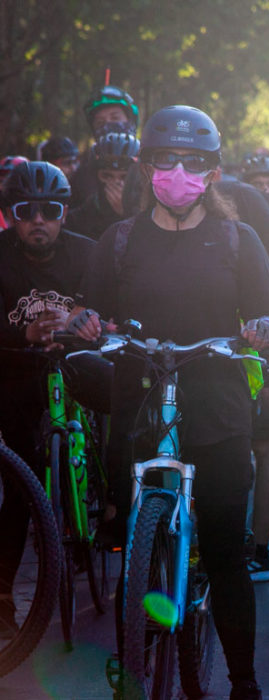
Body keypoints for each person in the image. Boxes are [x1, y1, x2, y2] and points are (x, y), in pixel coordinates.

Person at [71, 105, 269, 700]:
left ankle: (243, 681)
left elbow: (266, 312)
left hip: (219, 412)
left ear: (213, 172)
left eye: (193, 162)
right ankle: (132, 668)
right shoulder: (119, 241)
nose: (179, 172)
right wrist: (83, 322)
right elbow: (89, 309)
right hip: (138, 409)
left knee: (224, 550)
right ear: (146, 168)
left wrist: (267, 329)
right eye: (167, 159)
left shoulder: (239, 239)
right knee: (134, 547)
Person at [0, 162, 96, 636]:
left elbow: (115, 308)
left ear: (64, 214)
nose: (38, 220)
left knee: (126, 411)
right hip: (16, 372)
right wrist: (25, 334)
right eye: (26, 211)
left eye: (50, 211)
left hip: (77, 366)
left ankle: (113, 513)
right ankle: (2, 596)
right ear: (10, 216)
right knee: (21, 483)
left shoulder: (89, 253)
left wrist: (90, 320)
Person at [70, 84, 139, 208]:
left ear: (131, 122)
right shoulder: (84, 174)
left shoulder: (150, 165)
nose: (108, 125)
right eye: (100, 122)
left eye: (115, 118)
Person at [66, 132, 140, 240]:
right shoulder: (81, 216)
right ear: (96, 176)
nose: (115, 182)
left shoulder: (151, 211)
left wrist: (126, 214)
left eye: (124, 177)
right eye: (107, 176)